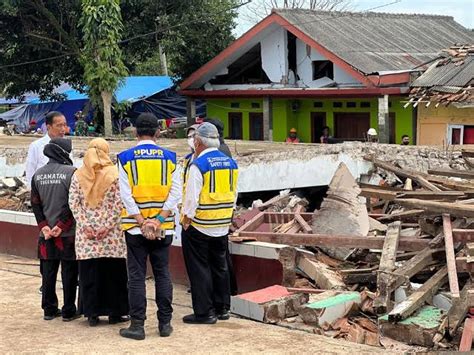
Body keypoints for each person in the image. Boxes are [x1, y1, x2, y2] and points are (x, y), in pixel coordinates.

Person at [118, 113, 181, 340]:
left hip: (136, 228)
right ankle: (165, 324)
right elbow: (176, 194)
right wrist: (159, 220)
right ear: (157, 132)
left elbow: (125, 195)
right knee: (163, 273)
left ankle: (137, 326)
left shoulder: (125, 158)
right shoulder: (171, 158)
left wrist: (143, 222)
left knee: (136, 276)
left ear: (136, 132)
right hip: (164, 228)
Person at [181, 123, 238, 324]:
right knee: (219, 265)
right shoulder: (231, 162)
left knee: (199, 268)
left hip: (200, 223)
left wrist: (186, 219)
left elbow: (191, 197)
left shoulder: (199, 164)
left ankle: (204, 312)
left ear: (198, 142)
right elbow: (235, 192)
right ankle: (223, 308)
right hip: (221, 223)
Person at [69, 138, 129, 327]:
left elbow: (73, 203)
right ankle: (115, 313)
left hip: (86, 237)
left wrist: (86, 225)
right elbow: (120, 204)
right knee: (114, 273)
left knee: (89, 273)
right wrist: (107, 226)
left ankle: (92, 313)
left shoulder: (78, 175)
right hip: (111, 236)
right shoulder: (115, 174)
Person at [30, 138, 79, 322]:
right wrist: (61, 226)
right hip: (67, 234)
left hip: (46, 235)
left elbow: (35, 204)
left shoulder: (38, 175)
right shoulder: (72, 173)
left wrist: (44, 227)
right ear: (63, 152)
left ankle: (49, 310)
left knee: (48, 272)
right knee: (69, 273)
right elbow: (72, 204)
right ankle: (68, 311)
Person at [25, 111, 68, 189]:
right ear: (48, 127)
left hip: (63, 191)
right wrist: (32, 191)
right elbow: (30, 170)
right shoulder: (36, 146)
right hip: (42, 190)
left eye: (64, 125)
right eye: (59, 126)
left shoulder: (67, 146)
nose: (63, 129)